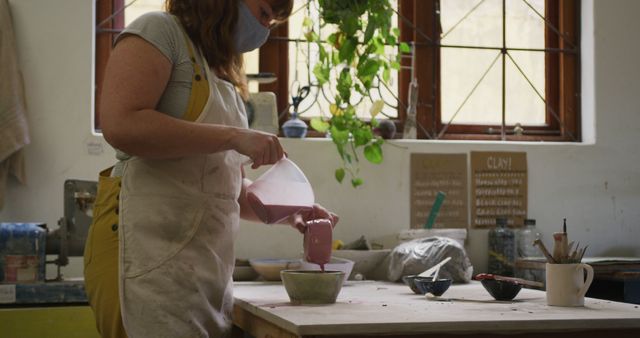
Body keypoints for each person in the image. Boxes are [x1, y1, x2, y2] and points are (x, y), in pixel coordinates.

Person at [83, 1, 339, 337]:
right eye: (264, 14)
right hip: (141, 251)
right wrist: (234, 136)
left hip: (201, 269)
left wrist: (293, 212)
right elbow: (121, 124)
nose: (264, 30)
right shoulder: (158, 32)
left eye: (273, 22)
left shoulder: (220, 74)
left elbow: (224, 187)